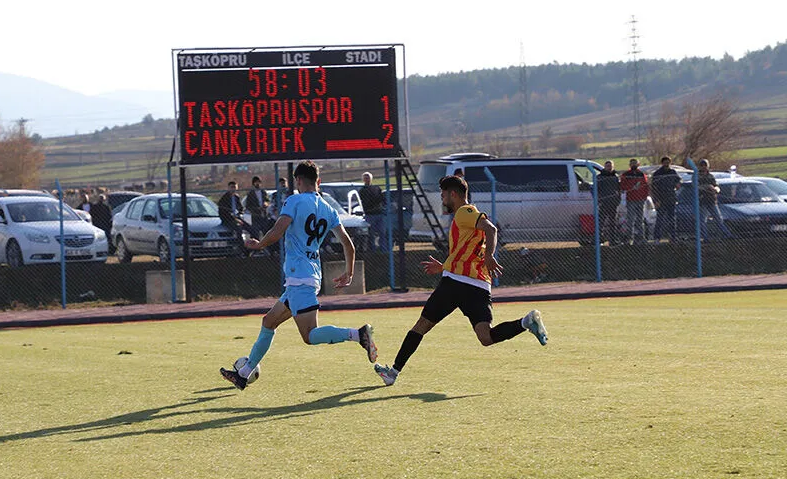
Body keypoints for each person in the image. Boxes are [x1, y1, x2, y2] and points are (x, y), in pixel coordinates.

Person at [373, 175, 547, 386]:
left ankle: (392, 373)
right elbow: (465, 252)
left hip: (455, 284)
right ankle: (526, 322)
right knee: (486, 337)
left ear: (453, 194)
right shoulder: (464, 217)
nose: (442, 198)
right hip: (478, 285)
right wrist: (444, 266)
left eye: (443, 194)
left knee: (421, 325)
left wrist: (491, 256)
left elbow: (491, 229)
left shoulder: (464, 212)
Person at [219, 160, 378, 390]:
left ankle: (358, 334)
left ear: (298, 181)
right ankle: (243, 374)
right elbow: (349, 245)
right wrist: (349, 272)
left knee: (310, 335)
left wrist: (259, 245)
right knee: (269, 321)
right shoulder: (329, 208)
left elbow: (278, 230)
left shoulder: (294, 200)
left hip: (299, 277)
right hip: (309, 275)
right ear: (318, 182)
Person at [696, 159, 732, 240]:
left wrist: (716, 189)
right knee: (702, 220)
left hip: (712, 200)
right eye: (702, 166)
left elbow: (716, 186)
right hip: (702, 200)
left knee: (718, 218)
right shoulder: (697, 176)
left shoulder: (711, 176)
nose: (704, 167)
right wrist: (707, 187)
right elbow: (696, 187)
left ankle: (727, 234)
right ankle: (705, 237)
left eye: (705, 165)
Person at [619, 158, 650, 245]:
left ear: (638, 164)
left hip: (640, 200)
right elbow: (622, 186)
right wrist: (631, 187)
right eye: (632, 163)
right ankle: (629, 238)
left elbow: (646, 186)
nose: (633, 165)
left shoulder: (641, 174)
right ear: (630, 165)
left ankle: (641, 238)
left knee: (640, 220)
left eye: (635, 163)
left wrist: (644, 197)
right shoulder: (626, 175)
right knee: (630, 220)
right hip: (631, 200)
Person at [650, 157, 681, 242]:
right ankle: (657, 237)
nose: (666, 164)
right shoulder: (657, 173)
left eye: (668, 162)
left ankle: (673, 237)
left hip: (671, 198)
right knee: (660, 219)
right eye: (665, 162)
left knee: (672, 218)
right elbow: (654, 188)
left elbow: (678, 182)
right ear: (662, 163)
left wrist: (677, 184)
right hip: (661, 199)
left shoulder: (673, 172)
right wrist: (656, 200)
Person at [359, 172, 386, 251]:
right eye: (365, 178)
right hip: (370, 214)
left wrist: (382, 206)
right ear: (363, 179)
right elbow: (365, 201)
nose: (367, 179)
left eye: (368, 177)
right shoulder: (362, 190)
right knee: (371, 233)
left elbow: (382, 199)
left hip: (379, 213)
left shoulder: (377, 188)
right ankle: (372, 249)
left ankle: (383, 249)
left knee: (382, 233)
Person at [597, 160, 622, 245]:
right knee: (601, 222)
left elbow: (618, 189)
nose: (609, 167)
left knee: (613, 222)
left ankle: (612, 240)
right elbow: (597, 190)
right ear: (605, 167)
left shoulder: (615, 176)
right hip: (603, 203)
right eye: (607, 166)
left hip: (613, 203)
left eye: (610, 166)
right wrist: (599, 200)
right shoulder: (599, 177)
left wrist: (618, 200)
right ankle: (598, 240)